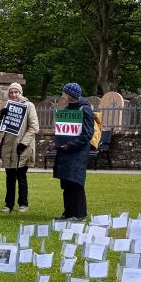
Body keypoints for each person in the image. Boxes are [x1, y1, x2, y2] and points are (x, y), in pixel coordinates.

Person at [52, 82, 94, 220]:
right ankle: (68, 212)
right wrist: (57, 142)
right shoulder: (67, 109)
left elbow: (87, 134)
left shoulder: (85, 110)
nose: (62, 96)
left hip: (77, 152)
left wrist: (70, 145)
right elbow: (62, 130)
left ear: (70, 96)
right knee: (66, 182)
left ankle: (79, 213)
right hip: (65, 151)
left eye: (64, 94)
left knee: (75, 182)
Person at [0, 82, 39, 213]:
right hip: (9, 147)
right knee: (9, 178)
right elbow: (0, 128)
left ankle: (23, 203)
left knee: (21, 177)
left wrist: (24, 143)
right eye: (11, 92)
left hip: (22, 147)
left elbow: (34, 127)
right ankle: (8, 204)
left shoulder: (29, 106)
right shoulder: (7, 106)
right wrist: (1, 117)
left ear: (20, 93)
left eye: (16, 92)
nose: (13, 94)